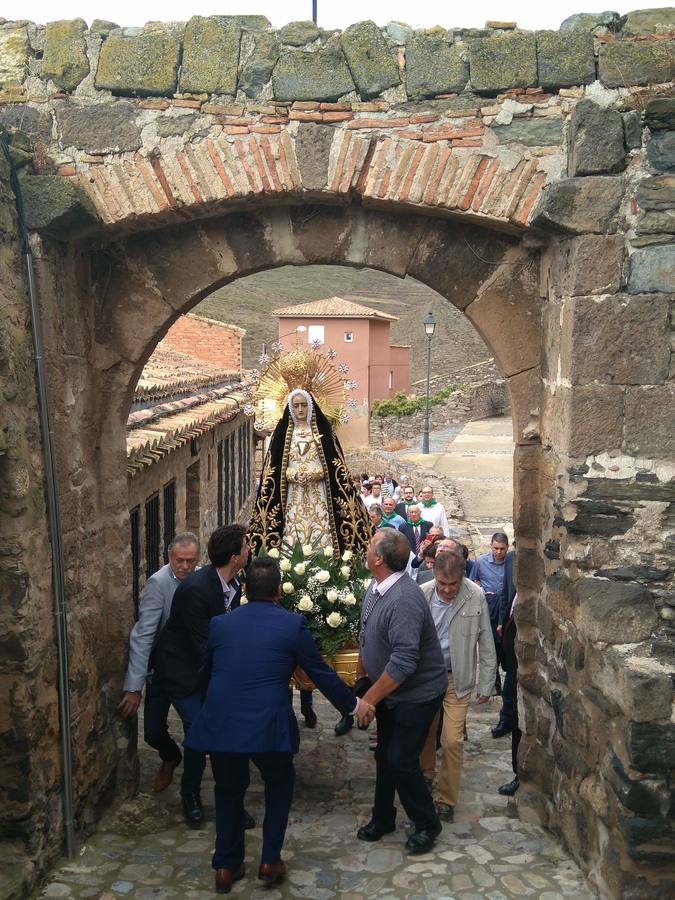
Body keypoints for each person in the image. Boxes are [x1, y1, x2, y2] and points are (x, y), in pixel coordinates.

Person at [184, 557, 375, 894]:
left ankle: (226, 867)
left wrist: (205, 711)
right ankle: (270, 858)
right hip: (267, 724)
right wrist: (354, 705)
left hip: (224, 722)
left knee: (228, 789)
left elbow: (206, 671)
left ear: (244, 590)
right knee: (279, 782)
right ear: (278, 591)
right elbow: (320, 673)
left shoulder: (221, 625)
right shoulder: (291, 625)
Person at [152, 524, 253, 829]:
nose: (250, 550)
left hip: (206, 671)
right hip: (180, 672)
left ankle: (229, 802)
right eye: (246, 546)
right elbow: (203, 644)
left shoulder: (235, 583)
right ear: (235, 557)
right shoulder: (196, 589)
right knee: (198, 732)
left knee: (212, 734)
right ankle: (190, 795)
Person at [356, 529, 448, 854]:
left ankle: (427, 822)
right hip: (389, 693)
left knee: (401, 760)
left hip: (416, 694)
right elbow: (367, 630)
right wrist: (362, 678)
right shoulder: (378, 586)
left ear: (379, 558)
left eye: (370, 545)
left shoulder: (405, 599)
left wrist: (368, 699)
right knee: (384, 755)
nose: (365, 548)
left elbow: (404, 661)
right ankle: (383, 818)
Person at [118, 533, 199, 793]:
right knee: (152, 732)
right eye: (180, 561)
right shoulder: (158, 584)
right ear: (169, 558)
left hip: (189, 672)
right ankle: (171, 756)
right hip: (162, 671)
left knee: (196, 728)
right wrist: (134, 686)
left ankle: (192, 790)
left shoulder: (201, 580)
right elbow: (143, 635)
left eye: (190, 561)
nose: (185, 566)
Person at [420, 551, 497, 820]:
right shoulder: (423, 594)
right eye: (443, 583)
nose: (447, 589)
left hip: (458, 679)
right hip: (426, 677)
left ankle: (446, 799)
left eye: (453, 584)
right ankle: (426, 775)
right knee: (425, 732)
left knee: (452, 740)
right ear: (435, 576)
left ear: (462, 578)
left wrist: (486, 684)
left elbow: (486, 641)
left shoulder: (474, 596)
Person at [249, 389, 370, 557]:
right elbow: (274, 469)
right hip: (293, 494)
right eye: (296, 405)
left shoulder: (323, 432)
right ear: (290, 407)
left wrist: (314, 474)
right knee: (293, 528)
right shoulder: (283, 434)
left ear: (311, 406)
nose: (300, 409)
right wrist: (293, 475)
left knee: (321, 527)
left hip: (319, 492)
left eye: (304, 405)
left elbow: (334, 465)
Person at [471, 531, 509, 695]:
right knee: (490, 643)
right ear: (491, 546)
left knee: (504, 643)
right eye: (496, 548)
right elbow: (474, 580)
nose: (498, 552)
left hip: (506, 607)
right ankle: (494, 684)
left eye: (502, 549)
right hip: (489, 607)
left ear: (507, 548)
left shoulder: (511, 562)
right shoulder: (480, 561)